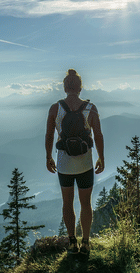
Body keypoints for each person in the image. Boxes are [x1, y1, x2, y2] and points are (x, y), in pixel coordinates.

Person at [45, 69, 104, 255]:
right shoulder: (91, 108)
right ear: (80, 87)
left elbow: (49, 134)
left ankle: (72, 242)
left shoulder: (55, 108)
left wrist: (48, 156)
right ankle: (85, 243)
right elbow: (98, 135)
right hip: (85, 164)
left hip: (64, 164)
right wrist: (101, 157)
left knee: (67, 203)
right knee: (86, 204)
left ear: (64, 87)